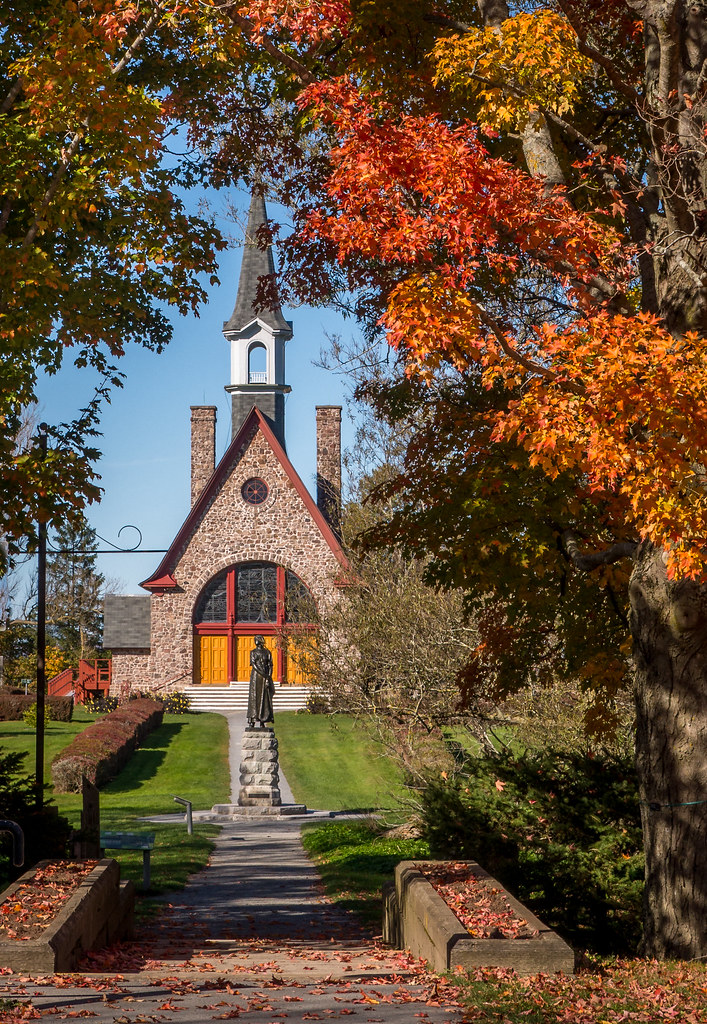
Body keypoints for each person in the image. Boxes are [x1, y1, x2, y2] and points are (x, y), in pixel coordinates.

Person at [247, 635, 274, 728]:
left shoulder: (267, 652)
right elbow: (254, 664)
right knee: (254, 697)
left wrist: (268, 677)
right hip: (256, 677)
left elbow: (270, 665)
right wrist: (263, 674)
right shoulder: (253, 652)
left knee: (264, 698)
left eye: (257, 639)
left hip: (265, 677)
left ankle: (263, 719)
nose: (256, 641)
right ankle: (252, 720)